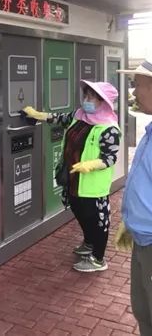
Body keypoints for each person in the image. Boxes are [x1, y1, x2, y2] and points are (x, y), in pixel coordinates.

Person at [23, 80, 121, 272]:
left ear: (104, 102)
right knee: (79, 211)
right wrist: (38, 115)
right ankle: (89, 243)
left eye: (92, 97)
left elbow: (110, 158)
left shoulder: (109, 128)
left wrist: (91, 165)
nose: (87, 100)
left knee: (97, 220)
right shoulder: (79, 116)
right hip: (73, 179)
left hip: (92, 185)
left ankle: (98, 259)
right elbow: (59, 118)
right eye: (86, 95)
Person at [115, 59, 152, 335]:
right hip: (142, 239)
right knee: (143, 309)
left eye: (137, 85)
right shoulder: (149, 132)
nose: (134, 92)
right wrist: (131, 219)